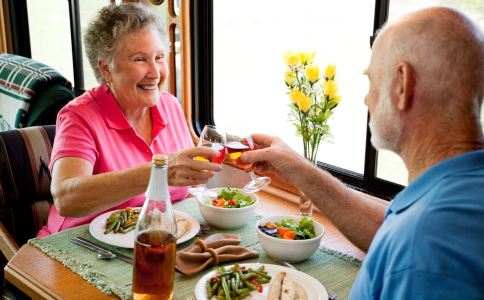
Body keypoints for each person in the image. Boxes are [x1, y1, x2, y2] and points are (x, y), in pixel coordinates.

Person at [241, 7, 484, 299]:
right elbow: (391, 229)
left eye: (371, 81)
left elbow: (413, 245)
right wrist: (299, 169)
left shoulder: (423, 247)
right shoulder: (456, 195)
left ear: (402, 84)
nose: (366, 99)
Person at [38, 3, 221, 237]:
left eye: (159, 57)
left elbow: (185, 189)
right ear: (106, 68)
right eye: (139, 59)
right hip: (80, 244)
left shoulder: (170, 106)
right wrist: (160, 171)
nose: (155, 72)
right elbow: (66, 199)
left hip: (151, 239)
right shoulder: (79, 116)